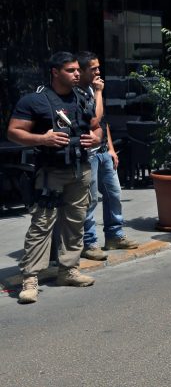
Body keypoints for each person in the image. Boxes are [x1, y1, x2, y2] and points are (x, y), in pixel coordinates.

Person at [8, 52, 102, 304]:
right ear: (55, 72)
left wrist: (97, 138)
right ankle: (30, 278)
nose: (77, 74)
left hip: (79, 169)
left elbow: (96, 125)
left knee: (75, 221)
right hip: (50, 172)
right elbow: (13, 132)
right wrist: (42, 139)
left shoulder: (82, 97)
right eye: (71, 70)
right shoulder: (35, 100)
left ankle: (68, 270)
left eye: (77, 70)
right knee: (42, 224)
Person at [76, 52, 138, 261]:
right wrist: (99, 92)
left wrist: (110, 148)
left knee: (114, 194)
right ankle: (89, 242)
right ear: (82, 70)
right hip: (88, 155)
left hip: (102, 151)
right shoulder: (78, 92)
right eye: (93, 69)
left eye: (98, 67)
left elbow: (104, 122)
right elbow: (95, 119)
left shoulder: (92, 90)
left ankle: (114, 235)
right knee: (90, 200)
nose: (98, 72)